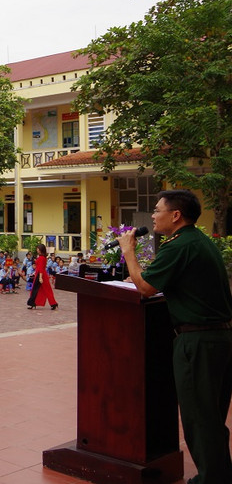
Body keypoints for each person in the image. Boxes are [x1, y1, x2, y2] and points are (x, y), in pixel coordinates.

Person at [121, 190, 232, 484]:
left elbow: (146, 288)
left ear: (176, 215)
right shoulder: (198, 241)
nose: (153, 215)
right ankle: (220, 475)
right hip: (219, 338)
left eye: (157, 210)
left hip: (197, 342)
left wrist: (129, 252)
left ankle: (211, 479)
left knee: (200, 417)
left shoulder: (178, 245)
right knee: (211, 416)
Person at [26, 244, 58, 310]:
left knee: (35, 289)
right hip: (42, 274)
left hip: (40, 275)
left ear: (40, 250)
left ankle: (32, 303)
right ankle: (53, 303)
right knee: (47, 290)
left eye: (38, 249)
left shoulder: (41, 258)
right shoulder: (43, 257)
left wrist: (40, 277)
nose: (37, 250)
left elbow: (40, 268)